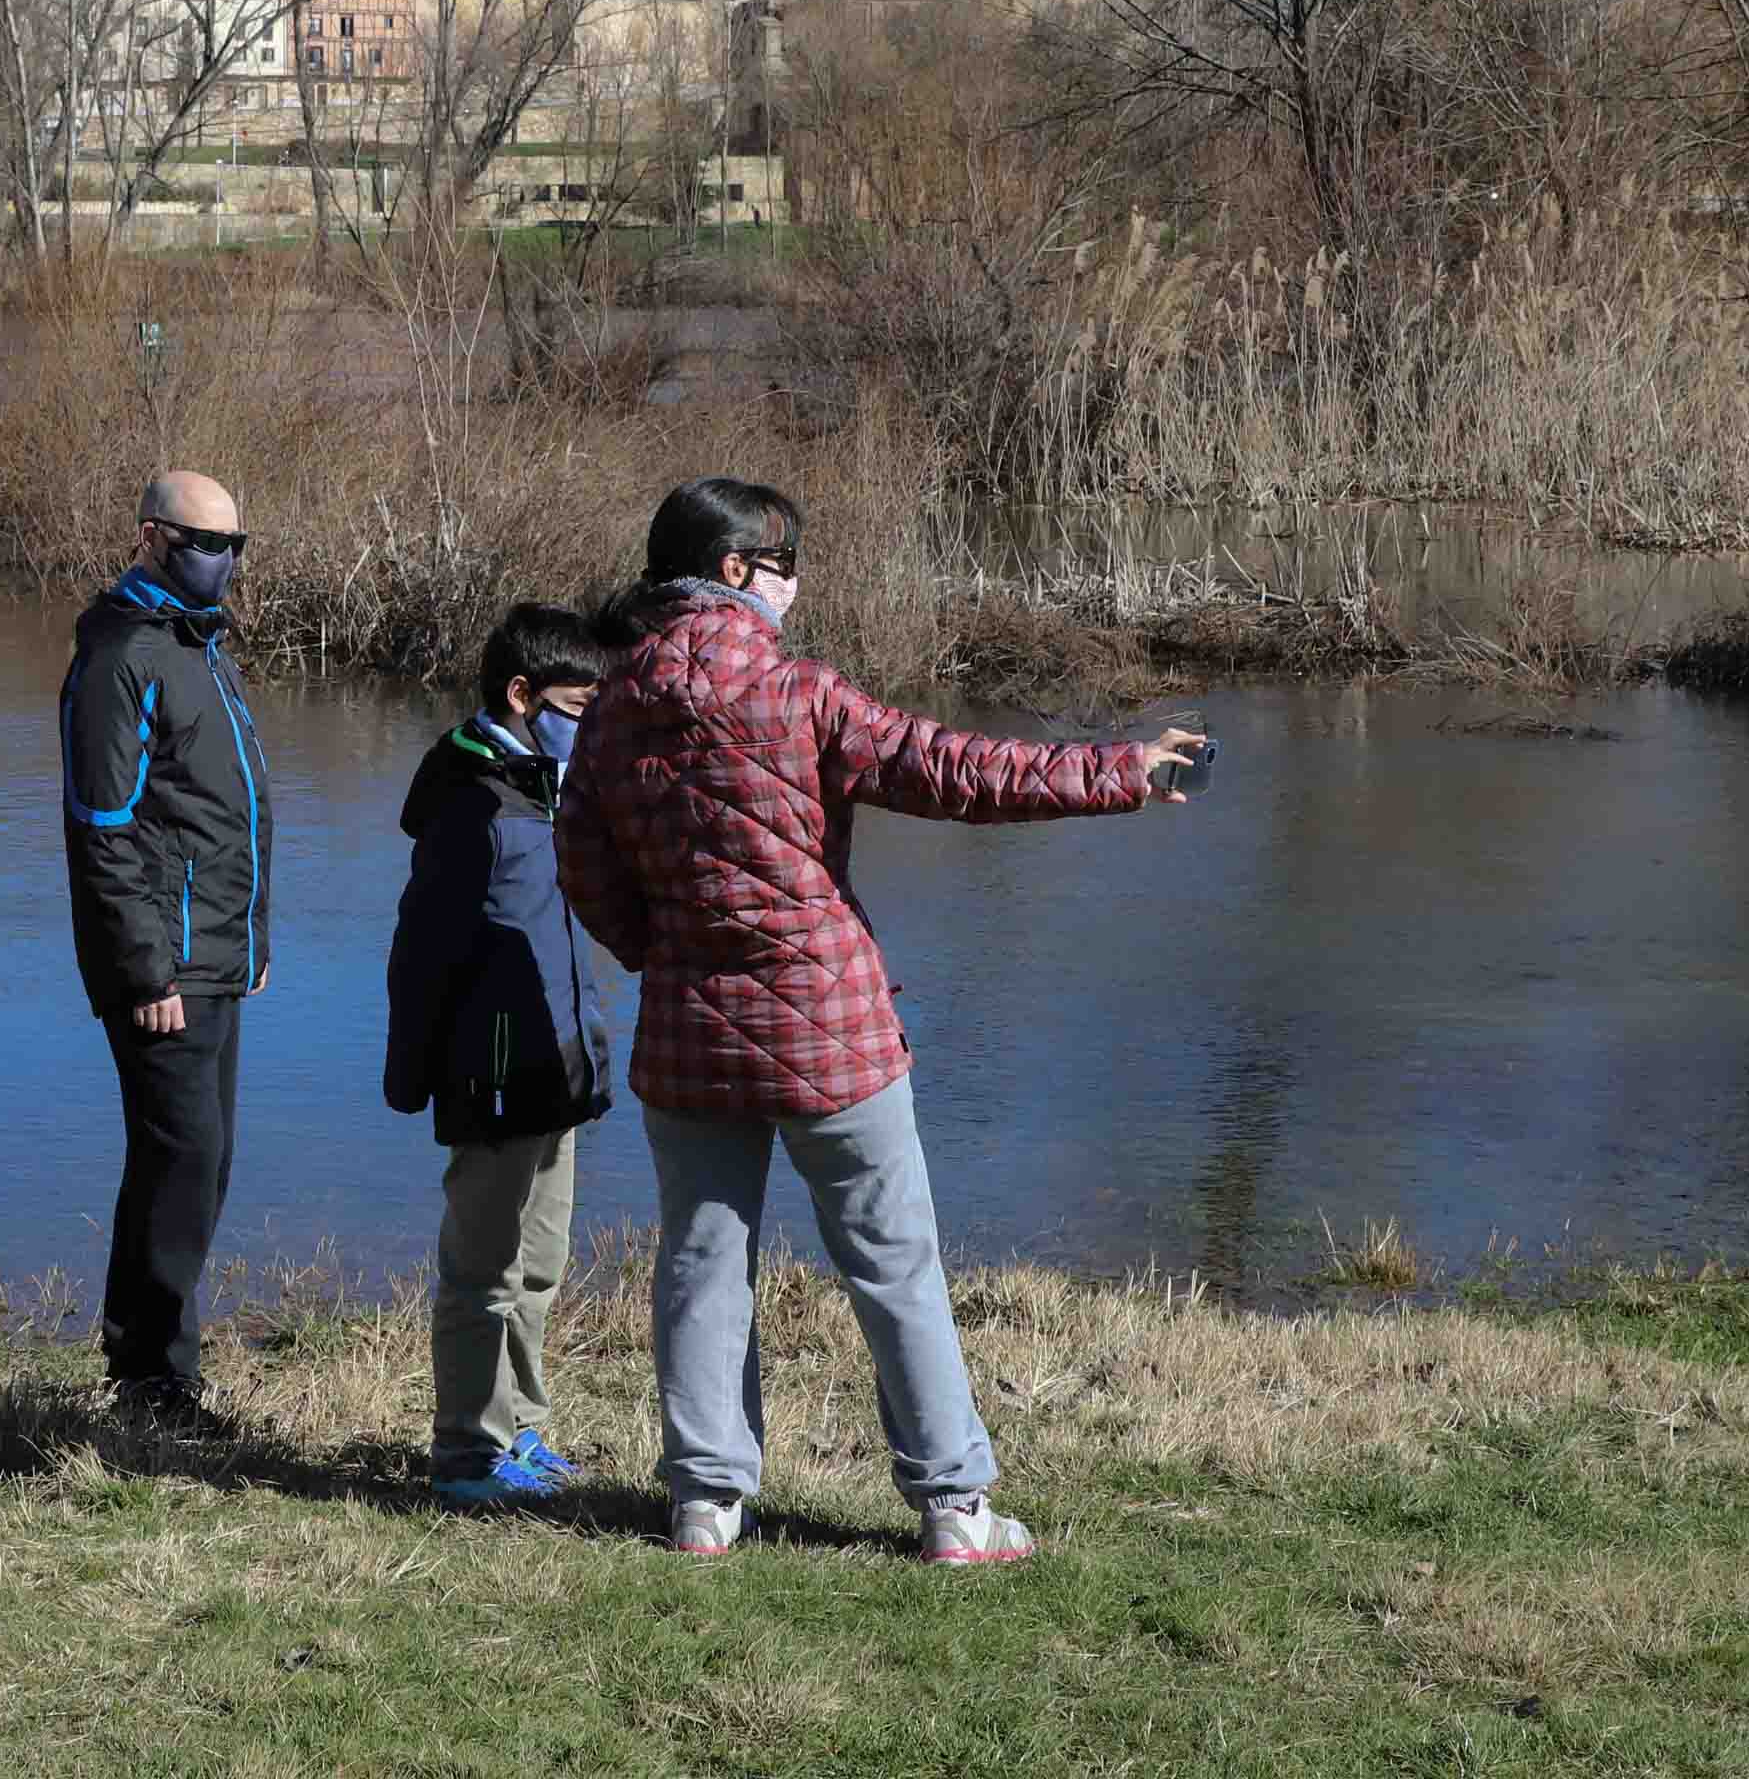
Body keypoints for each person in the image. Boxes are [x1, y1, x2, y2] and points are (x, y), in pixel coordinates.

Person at [554, 477, 1205, 1565]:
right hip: (830, 1027)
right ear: (730, 572)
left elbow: (583, 865)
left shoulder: (613, 705)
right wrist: (1119, 771)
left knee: (700, 1263)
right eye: (781, 561)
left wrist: (661, 951)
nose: (791, 580)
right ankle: (953, 1507)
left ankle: (705, 1504)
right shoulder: (797, 690)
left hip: (686, 1026)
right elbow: (957, 771)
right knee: (894, 1263)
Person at [381, 601, 619, 1507]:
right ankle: (465, 1455)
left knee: (541, 1269)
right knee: (481, 1275)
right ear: (521, 695)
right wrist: (410, 1069)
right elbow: (422, 947)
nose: (590, 722)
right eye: (578, 704)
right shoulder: (469, 802)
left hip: (560, 1067)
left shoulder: (551, 787)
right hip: (492, 1072)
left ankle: (521, 1433)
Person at [59, 467, 274, 1432]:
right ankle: (150, 1379)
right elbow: (105, 828)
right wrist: (147, 969)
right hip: (164, 968)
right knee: (178, 1158)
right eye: (203, 543)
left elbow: (220, 816)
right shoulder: (121, 655)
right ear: (151, 536)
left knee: (206, 1160)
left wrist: (251, 941)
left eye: (233, 545)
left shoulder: (200, 648)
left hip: (215, 952)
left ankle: (156, 1363)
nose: (220, 561)